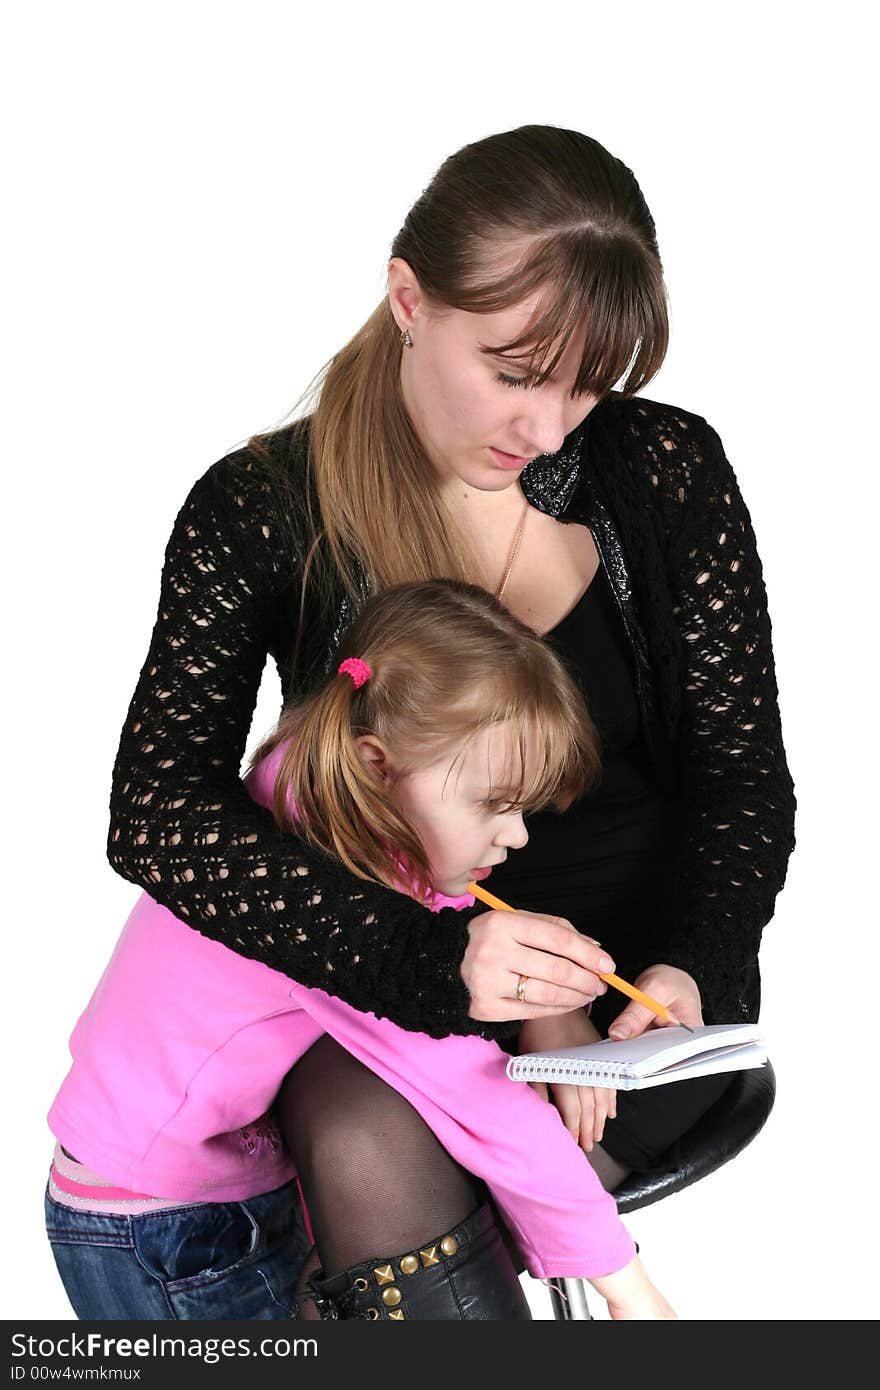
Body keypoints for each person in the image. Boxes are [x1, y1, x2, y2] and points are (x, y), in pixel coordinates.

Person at [99, 124, 796, 1319]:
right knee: (358, 1123)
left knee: (370, 1165)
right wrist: (434, 965)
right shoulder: (261, 510)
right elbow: (157, 815)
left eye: (588, 384)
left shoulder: (664, 469)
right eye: (518, 372)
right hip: (393, 994)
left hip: (627, 1011)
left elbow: (742, 780)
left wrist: (693, 962)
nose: (552, 429)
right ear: (408, 298)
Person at [45, 580, 676, 1321]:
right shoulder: (332, 915)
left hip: (194, 1188)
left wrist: (542, 1001)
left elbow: (437, 922)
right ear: (379, 765)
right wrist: (625, 1283)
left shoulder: (317, 802)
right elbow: (478, 1099)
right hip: (165, 1227)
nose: (518, 837)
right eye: (495, 805)